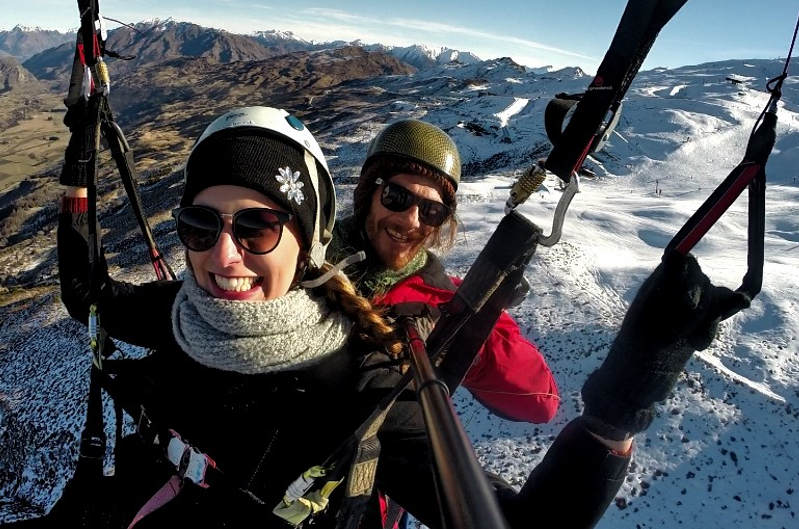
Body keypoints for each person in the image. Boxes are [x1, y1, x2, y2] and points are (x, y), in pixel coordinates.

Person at [8, 105, 749, 529]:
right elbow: (91, 296)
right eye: (200, 229)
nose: (223, 256)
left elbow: (529, 494)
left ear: (301, 239)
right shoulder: (186, 309)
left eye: (257, 229)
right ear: (361, 200)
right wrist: (82, 144)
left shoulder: (369, 380)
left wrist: (616, 414)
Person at [328, 119, 559, 424]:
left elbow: (541, 400)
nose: (411, 221)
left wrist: (459, 343)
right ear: (369, 193)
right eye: (397, 197)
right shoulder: (296, 258)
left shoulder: (446, 301)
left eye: (431, 211)